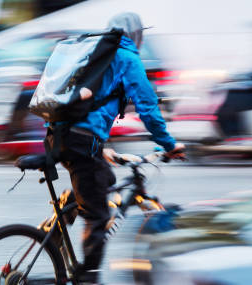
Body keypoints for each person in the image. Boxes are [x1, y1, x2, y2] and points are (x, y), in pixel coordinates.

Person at [45, 12, 185, 284]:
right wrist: (169, 145)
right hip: (81, 142)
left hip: (60, 137)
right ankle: (89, 278)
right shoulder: (127, 58)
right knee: (98, 215)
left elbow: (87, 106)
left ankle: (65, 211)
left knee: (105, 179)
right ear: (135, 35)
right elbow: (148, 108)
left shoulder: (96, 54)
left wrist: (102, 146)